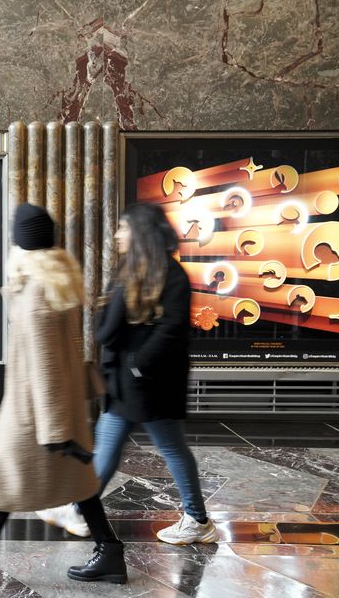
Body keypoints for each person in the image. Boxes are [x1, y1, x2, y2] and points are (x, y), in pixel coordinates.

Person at [0, 203, 127, 587]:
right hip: (55, 409)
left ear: (21, 243)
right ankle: (108, 551)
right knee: (76, 484)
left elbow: (46, 364)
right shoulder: (59, 283)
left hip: (36, 414)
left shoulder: (35, 291)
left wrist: (56, 432)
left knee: (6, 480)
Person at [36, 201, 219, 545]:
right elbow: (106, 329)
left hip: (153, 383)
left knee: (170, 448)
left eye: (124, 228)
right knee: (110, 443)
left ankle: (197, 519)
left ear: (141, 232)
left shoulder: (171, 275)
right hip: (127, 380)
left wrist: (138, 366)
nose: (117, 234)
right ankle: (80, 511)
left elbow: (171, 330)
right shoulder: (130, 271)